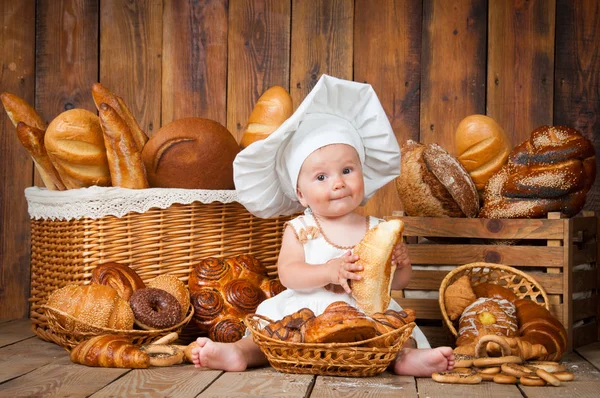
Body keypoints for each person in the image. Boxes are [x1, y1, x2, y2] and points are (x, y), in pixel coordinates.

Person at [191, 75, 454, 377]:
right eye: (321, 177)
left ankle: (405, 358)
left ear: (362, 175)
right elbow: (289, 274)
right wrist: (327, 272)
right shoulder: (301, 228)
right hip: (306, 312)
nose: (338, 183)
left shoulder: (378, 228)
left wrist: (401, 265)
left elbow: (396, 283)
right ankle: (239, 353)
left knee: (393, 333)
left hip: (365, 313)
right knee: (270, 336)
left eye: (346, 170)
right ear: (300, 193)